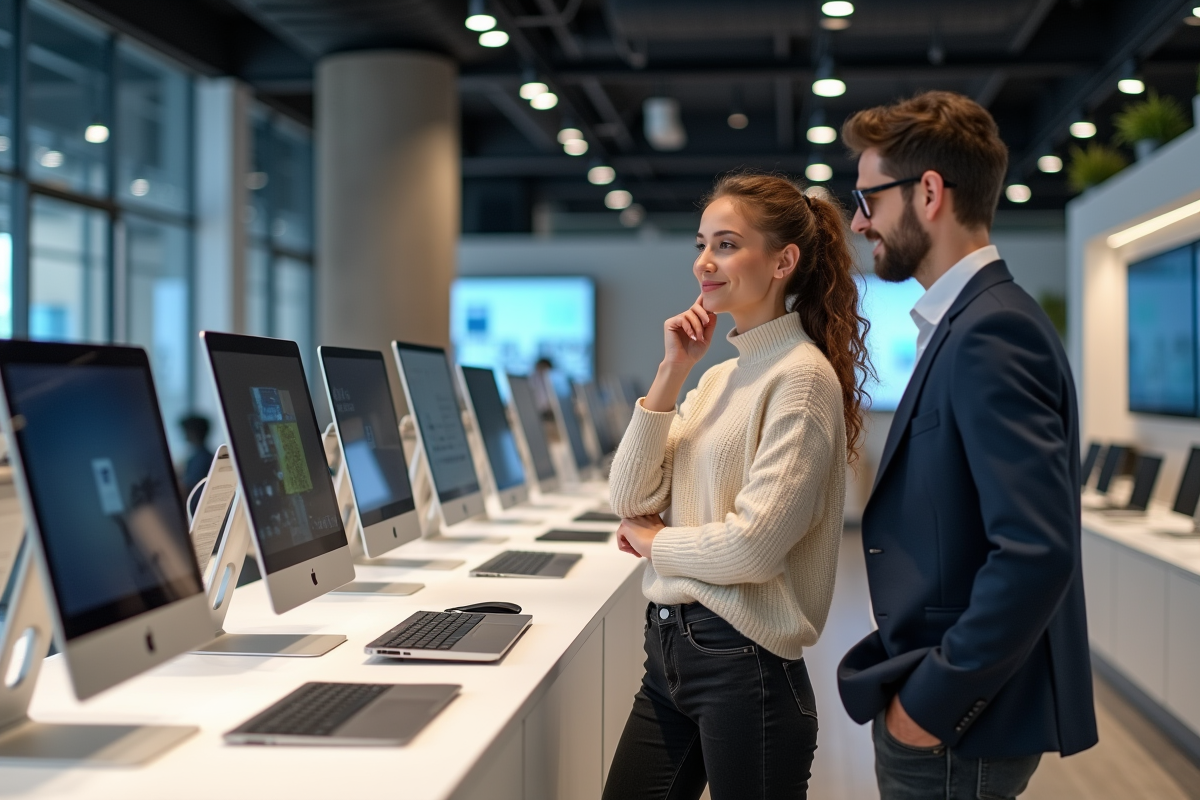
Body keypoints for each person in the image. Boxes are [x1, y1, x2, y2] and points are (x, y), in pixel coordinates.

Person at [836, 91, 1097, 800]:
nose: (859, 223)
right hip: (947, 706)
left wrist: (932, 704)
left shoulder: (990, 331)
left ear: (928, 193)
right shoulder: (971, 320)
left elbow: (1038, 550)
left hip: (959, 725)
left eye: (868, 199)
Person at [602, 173, 871, 800]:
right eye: (702, 244)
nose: (704, 262)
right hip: (669, 651)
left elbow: (752, 547)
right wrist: (671, 373)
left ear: (783, 261)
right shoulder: (717, 377)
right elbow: (628, 498)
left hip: (743, 662)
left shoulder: (801, 380)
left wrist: (653, 544)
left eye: (726, 244)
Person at [179, 413, 214, 499]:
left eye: (186, 431)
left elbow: (189, 487)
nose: (184, 435)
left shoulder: (199, 459)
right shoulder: (207, 456)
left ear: (193, 433)